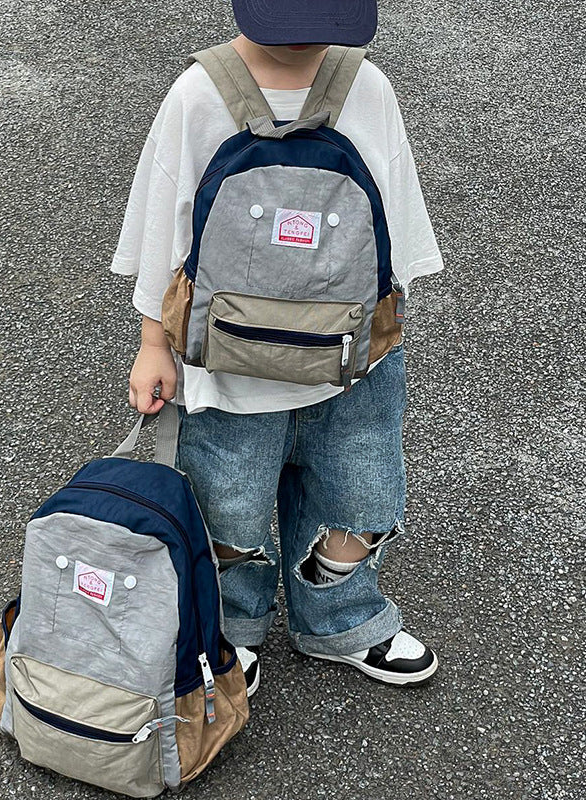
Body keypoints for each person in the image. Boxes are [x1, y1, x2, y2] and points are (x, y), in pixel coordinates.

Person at [110, 0, 443, 693]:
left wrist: (392, 312)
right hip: (228, 366)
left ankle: (342, 618)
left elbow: (396, 208)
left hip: (350, 358)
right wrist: (152, 342)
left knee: (358, 490)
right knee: (226, 503)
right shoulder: (199, 92)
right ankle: (231, 627)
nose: (305, 39)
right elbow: (160, 223)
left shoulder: (366, 87)